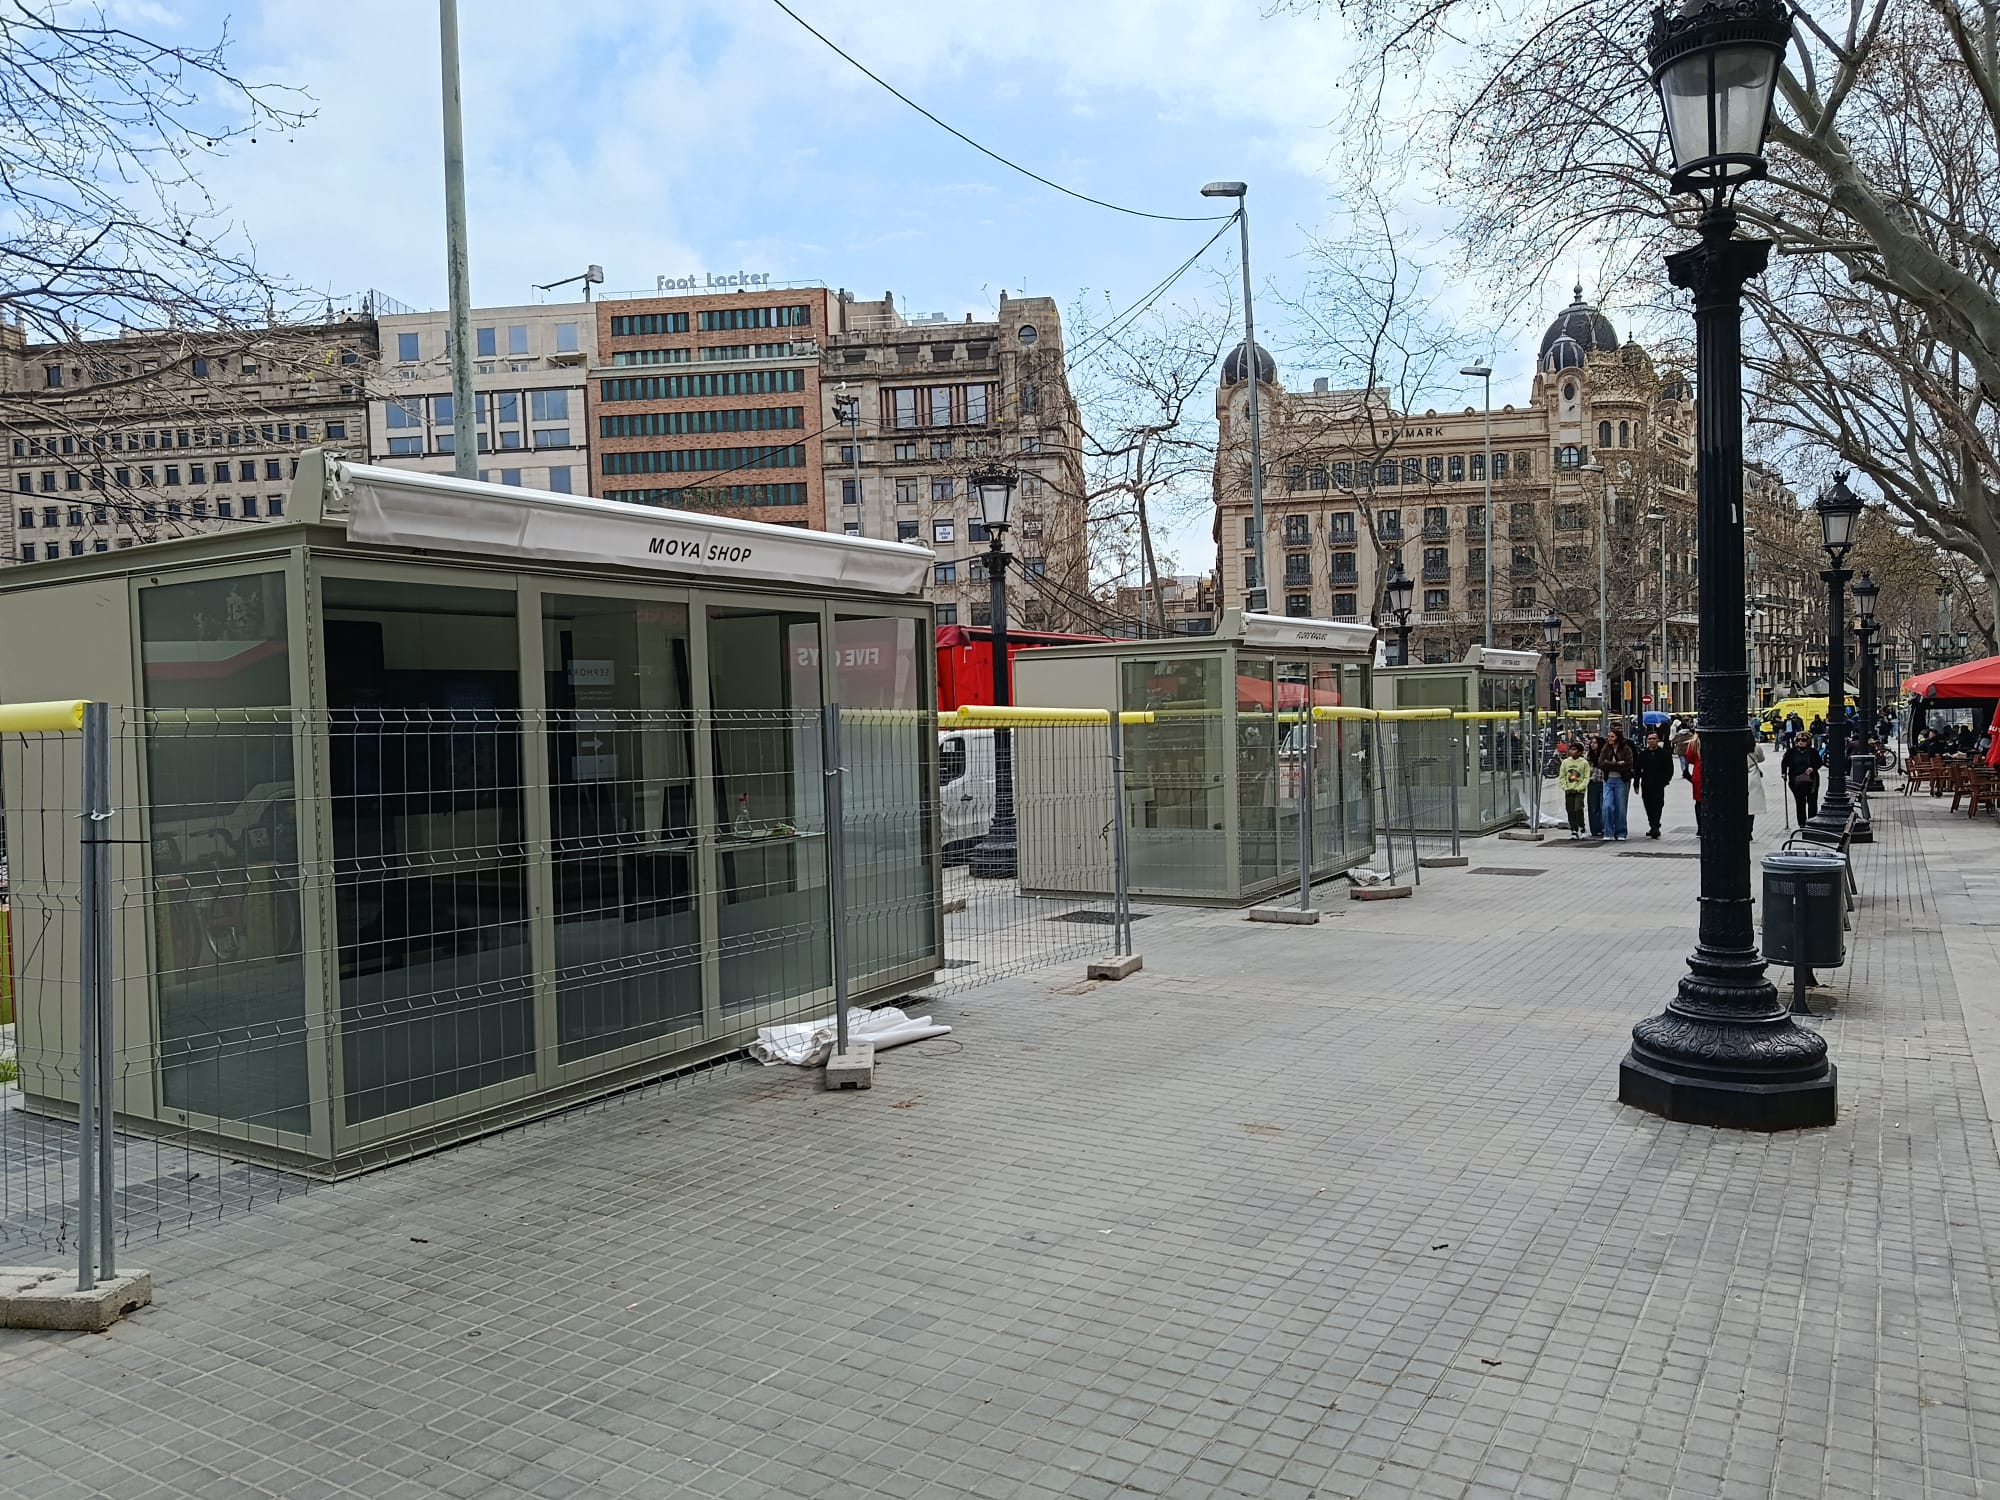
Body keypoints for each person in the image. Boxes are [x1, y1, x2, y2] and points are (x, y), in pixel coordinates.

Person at [1598, 725, 1635, 841]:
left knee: (1621, 807)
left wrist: (1610, 764)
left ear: (1617, 737)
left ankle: (1621, 832)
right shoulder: (1605, 748)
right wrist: (1617, 764)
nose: (1609, 739)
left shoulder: (1626, 749)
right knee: (1607, 806)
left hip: (1621, 781)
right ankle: (1608, 832)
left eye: (1612, 737)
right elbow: (1601, 764)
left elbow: (1628, 764)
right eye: (1608, 736)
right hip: (1608, 780)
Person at [1636, 729, 1676, 839]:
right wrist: (1636, 783)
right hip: (1646, 784)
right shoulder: (1643, 754)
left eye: (1654, 738)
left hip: (1659, 784)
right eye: (1650, 739)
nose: (1652, 741)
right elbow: (1638, 769)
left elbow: (1669, 770)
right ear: (1647, 741)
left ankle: (1655, 826)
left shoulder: (1664, 754)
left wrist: (1665, 781)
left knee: (1658, 805)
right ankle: (1653, 824)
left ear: (1658, 740)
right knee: (1648, 805)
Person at [1781, 735, 1822, 826]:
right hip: (1796, 780)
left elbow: (1819, 762)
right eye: (1798, 740)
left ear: (1808, 741)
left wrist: (1812, 768)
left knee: (1812, 801)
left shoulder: (1813, 752)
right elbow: (1784, 762)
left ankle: (1812, 821)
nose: (1800, 742)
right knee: (1800, 802)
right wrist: (1784, 773)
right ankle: (1802, 823)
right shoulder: (1791, 752)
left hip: (1812, 780)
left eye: (1804, 740)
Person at [1558, 742, 1593, 839]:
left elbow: (1586, 777)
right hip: (1569, 790)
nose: (1572, 751)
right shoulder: (1565, 762)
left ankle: (1582, 827)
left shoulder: (1584, 763)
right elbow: (1562, 776)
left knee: (1578, 808)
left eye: (1574, 750)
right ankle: (1573, 830)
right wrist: (1565, 787)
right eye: (1571, 749)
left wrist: (1580, 788)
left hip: (1579, 791)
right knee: (1570, 810)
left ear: (1579, 752)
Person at [1745, 737, 1768, 838]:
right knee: (1751, 806)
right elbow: (1762, 759)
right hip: (1753, 775)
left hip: (1738, 776)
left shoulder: (1734, 746)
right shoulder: (1756, 747)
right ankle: (1749, 831)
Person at [1585, 734, 1606, 838]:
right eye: (1591, 743)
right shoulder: (1588, 755)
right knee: (1593, 807)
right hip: (1592, 782)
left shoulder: (1605, 754)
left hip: (1604, 782)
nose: (1593, 745)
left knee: (1604, 807)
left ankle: (1604, 827)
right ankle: (1595, 829)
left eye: (1595, 743)